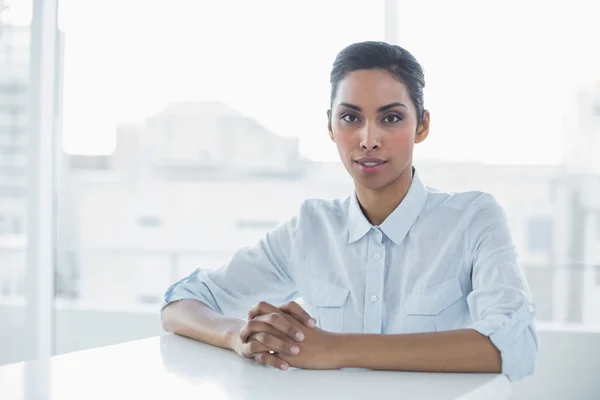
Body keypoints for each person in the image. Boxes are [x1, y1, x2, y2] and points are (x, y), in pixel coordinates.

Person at [161, 41, 538, 382]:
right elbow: (181, 302)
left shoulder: (472, 219)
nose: (368, 139)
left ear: (422, 125)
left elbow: (515, 344)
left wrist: (333, 348)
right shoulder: (310, 230)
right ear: (330, 126)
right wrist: (239, 337)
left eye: (391, 118)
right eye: (350, 118)